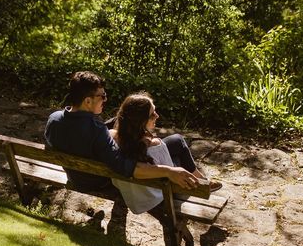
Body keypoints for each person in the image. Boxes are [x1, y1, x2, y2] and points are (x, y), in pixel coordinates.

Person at [44, 71, 199, 192]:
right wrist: (169, 171)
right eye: (102, 96)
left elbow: (74, 137)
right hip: (100, 182)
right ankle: (199, 181)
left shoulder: (54, 119)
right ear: (88, 101)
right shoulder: (97, 131)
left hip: (76, 177)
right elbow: (127, 168)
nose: (105, 99)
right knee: (175, 146)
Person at [109, 91, 221, 214]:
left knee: (177, 140)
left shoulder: (110, 138)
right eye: (152, 114)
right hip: (157, 194)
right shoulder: (156, 145)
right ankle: (201, 182)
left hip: (132, 191)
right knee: (179, 147)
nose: (157, 116)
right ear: (141, 121)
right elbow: (171, 175)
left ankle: (201, 178)